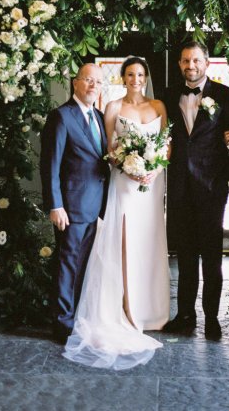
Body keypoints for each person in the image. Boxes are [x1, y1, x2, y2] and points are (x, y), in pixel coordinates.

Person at [63, 57, 170, 370]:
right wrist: (130, 167)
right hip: (124, 184)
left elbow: (167, 145)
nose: (135, 78)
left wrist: (154, 168)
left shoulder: (159, 106)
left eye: (140, 73)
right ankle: (125, 308)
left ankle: (151, 310)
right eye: (130, 74)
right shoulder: (111, 106)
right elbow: (107, 149)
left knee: (149, 242)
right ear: (122, 78)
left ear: (146, 76)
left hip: (152, 185)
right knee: (124, 243)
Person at [163, 41, 229, 340]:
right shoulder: (169, 95)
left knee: (211, 257)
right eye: (185, 61)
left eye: (195, 60)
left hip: (212, 187)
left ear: (206, 63)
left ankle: (211, 318)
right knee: (184, 255)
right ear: (179, 64)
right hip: (180, 186)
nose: (190, 66)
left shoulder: (224, 95)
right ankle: (185, 315)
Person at [40, 63, 110, 345]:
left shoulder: (100, 117)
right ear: (75, 83)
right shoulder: (61, 117)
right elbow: (50, 166)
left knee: (82, 265)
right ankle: (62, 323)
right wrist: (55, 205)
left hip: (95, 207)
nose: (93, 85)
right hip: (70, 208)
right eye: (88, 80)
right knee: (67, 264)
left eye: (98, 82)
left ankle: (75, 316)